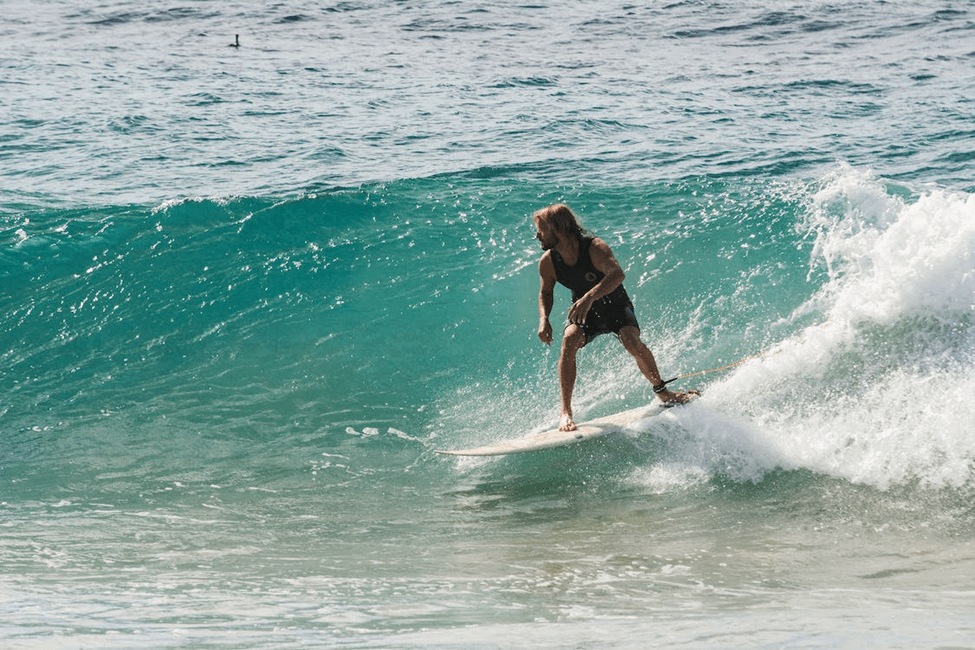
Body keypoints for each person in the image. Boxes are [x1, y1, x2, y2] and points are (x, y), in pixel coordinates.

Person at [533, 204, 696, 431]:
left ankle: (662, 391)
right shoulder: (549, 262)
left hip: (615, 306)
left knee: (631, 341)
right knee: (569, 341)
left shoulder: (594, 248)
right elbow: (545, 292)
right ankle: (566, 412)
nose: (537, 235)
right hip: (585, 312)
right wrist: (544, 319)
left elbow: (617, 274)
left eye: (541, 229)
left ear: (557, 229)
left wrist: (589, 297)